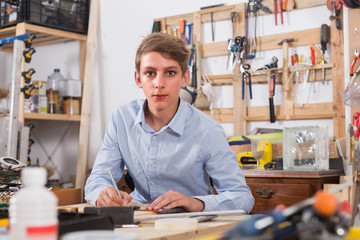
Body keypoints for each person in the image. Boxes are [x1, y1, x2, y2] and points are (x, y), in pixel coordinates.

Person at [84, 32, 254, 213]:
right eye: (150, 73)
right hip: (141, 218)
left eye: (170, 73)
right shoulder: (121, 119)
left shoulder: (208, 130)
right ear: (138, 79)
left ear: (185, 79)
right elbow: (98, 178)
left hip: (191, 223)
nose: (159, 83)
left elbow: (242, 197)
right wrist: (102, 193)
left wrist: (195, 203)